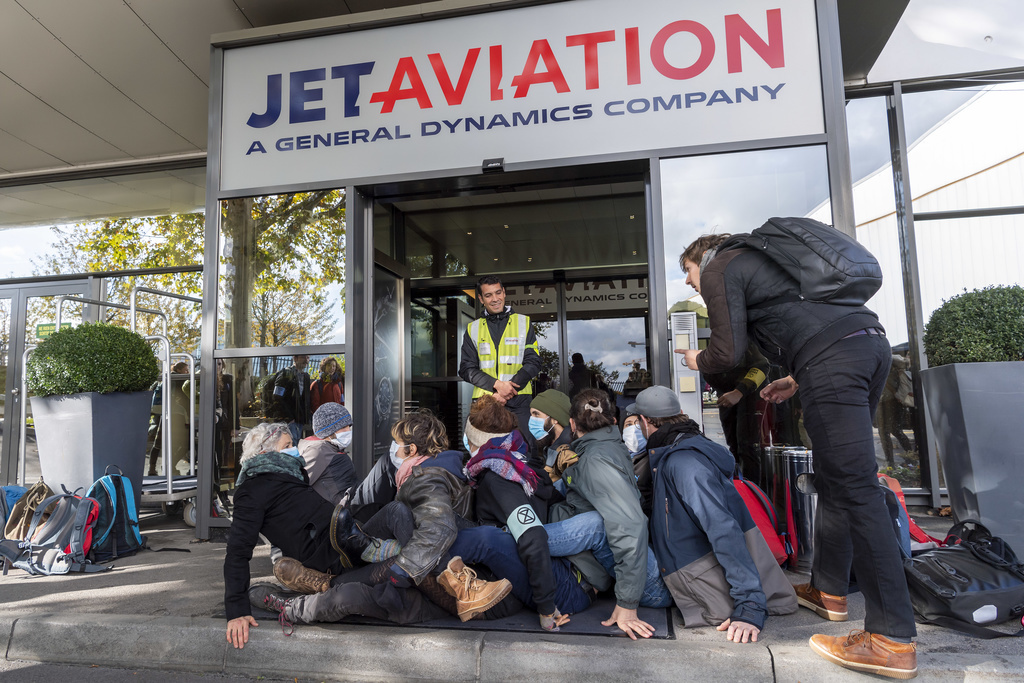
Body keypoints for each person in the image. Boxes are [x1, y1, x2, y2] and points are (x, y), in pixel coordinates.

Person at [679, 233, 918, 678]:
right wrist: (796, 377)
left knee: (856, 488)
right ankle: (828, 590)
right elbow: (805, 318)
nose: (693, 285)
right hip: (867, 345)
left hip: (831, 357)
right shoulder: (765, 258)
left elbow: (727, 350)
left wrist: (699, 359)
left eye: (687, 274)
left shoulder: (719, 264)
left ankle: (891, 638)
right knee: (833, 477)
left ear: (698, 257)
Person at [631, 385, 796, 643]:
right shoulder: (681, 448)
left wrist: (749, 603)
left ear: (644, 421)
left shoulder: (683, 463)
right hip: (687, 566)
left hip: (692, 579)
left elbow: (723, 529)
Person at [224, 422, 365, 649]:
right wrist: (236, 610)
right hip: (328, 553)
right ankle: (328, 583)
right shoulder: (251, 491)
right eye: (287, 445)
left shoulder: (289, 473)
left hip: (344, 537)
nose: (295, 450)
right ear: (265, 452)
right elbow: (237, 551)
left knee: (391, 513)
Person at [548, 388, 673, 640]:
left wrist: (627, 605)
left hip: (650, 589)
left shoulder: (596, 460)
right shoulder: (607, 448)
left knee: (596, 523)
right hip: (644, 572)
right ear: (614, 421)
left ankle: (514, 538)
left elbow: (630, 525)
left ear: (571, 423)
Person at [463, 396, 568, 631]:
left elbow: (533, 536)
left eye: (468, 440)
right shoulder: (521, 466)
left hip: (530, 587)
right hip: (531, 579)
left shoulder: (498, 478)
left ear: (475, 442)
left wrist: (546, 608)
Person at [458, 275, 542, 442]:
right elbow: (466, 369)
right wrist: (497, 386)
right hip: (485, 401)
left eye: (498, 293)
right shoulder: (472, 329)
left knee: (526, 452)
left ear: (504, 293)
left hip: (519, 400)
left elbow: (534, 362)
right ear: (481, 299)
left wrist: (507, 391)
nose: (495, 299)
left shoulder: (523, 323)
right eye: (488, 295)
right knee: (481, 452)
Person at [699, 343, 769, 485]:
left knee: (748, 449)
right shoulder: (720, 341)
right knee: (736, 447)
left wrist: (740, 391)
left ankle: (754, 495)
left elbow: (762, 366)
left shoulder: (745, 339)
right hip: (727, 398)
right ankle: (743, 490)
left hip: (750, 398)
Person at [298, 403, 359, 505]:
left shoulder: (330, 448)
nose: (348, 431)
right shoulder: (318, 450)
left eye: (349, 426)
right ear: (329, 431)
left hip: (349, 503)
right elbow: (298, 484)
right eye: (343, 427)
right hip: (339, 511)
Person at [268, 355, 312, 444]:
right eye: (303, 357)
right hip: (288, 420)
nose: (306, 361)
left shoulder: (305, 377)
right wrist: (288, 417)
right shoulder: (286, 374)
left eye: (308, 358)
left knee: (295, 444)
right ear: (295, 358)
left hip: (299, 420)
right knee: (289, 444)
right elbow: (277, 396)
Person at [528, 389, 573, 469]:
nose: (532, 420)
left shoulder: (569, 452)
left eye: (536, 414)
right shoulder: (548, 446)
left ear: (555, 419)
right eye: (531, 415)